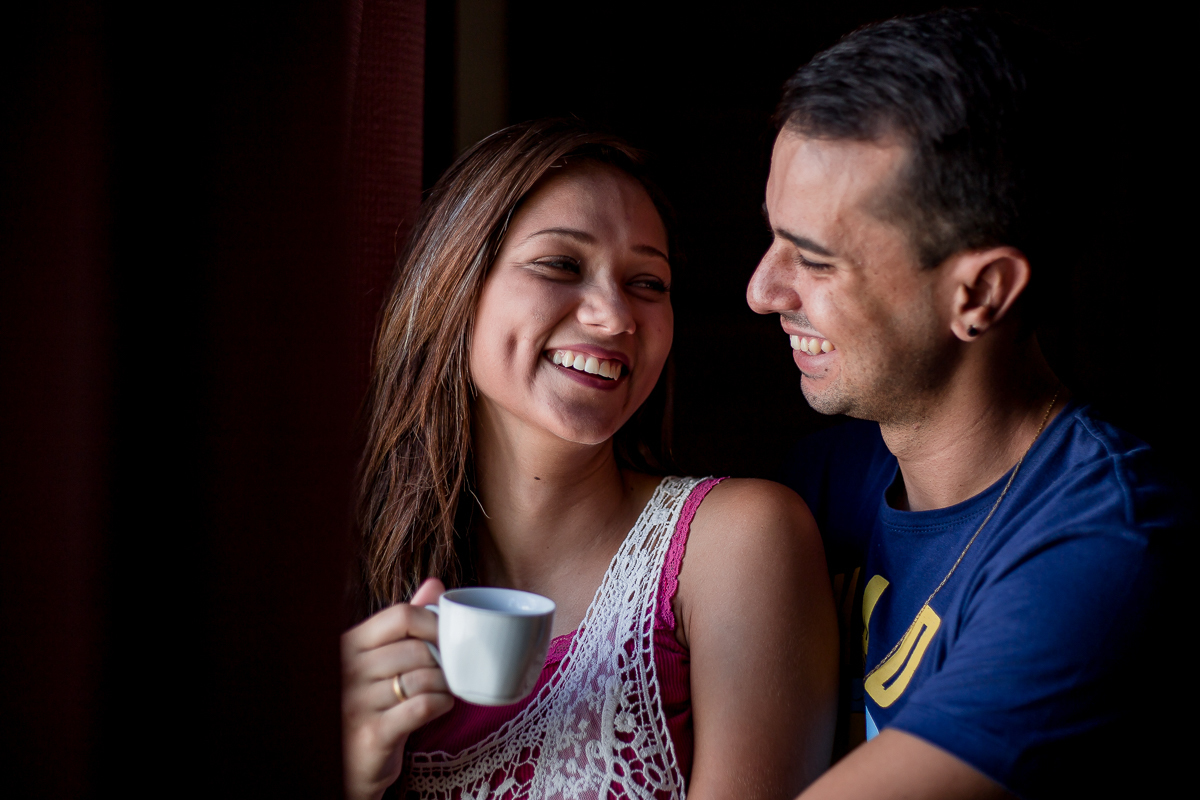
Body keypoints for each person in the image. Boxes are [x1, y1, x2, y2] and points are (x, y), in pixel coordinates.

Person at [746, 10, 1184, 800]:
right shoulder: (826, 477)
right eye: (773, 239)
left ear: (980, 293)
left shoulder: (1105, 551)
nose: (762, 291)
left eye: (813, 261)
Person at [341, 119, 838, 800]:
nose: (613, 317)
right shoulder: (340, 573)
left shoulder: (737, 542)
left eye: (647, 283)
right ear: (454, 288)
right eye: (561, 266)